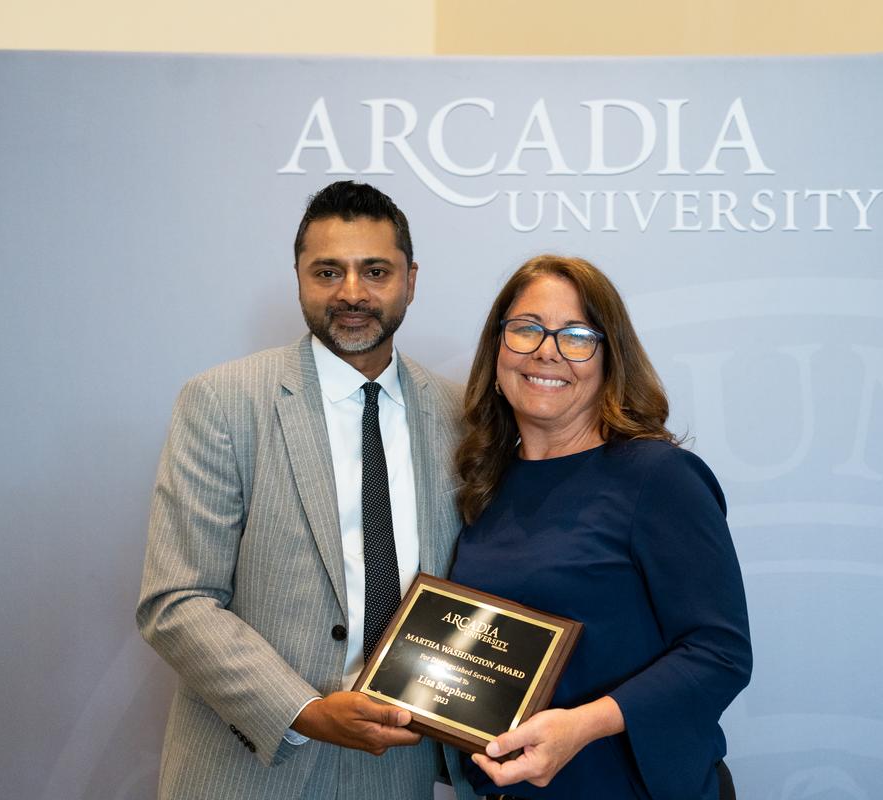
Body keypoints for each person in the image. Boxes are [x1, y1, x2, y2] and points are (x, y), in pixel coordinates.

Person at [137, 181, 478, 800]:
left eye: (375, 270)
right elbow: (177, 599)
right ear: (298, 276)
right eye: (328, 272)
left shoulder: (460, 416)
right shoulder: (222, 402)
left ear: (410, 279)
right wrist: (304, 711)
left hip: (397, 769)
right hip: (253, 767)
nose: (352, 293)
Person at [449, 255, 753, 800]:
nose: (548, 350)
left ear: (610, 359)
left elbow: (719, 653)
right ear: (497, 349)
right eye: (526, 329)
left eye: (577, 335)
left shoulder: (659, 477)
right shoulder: (485, 483)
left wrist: (583, 725)